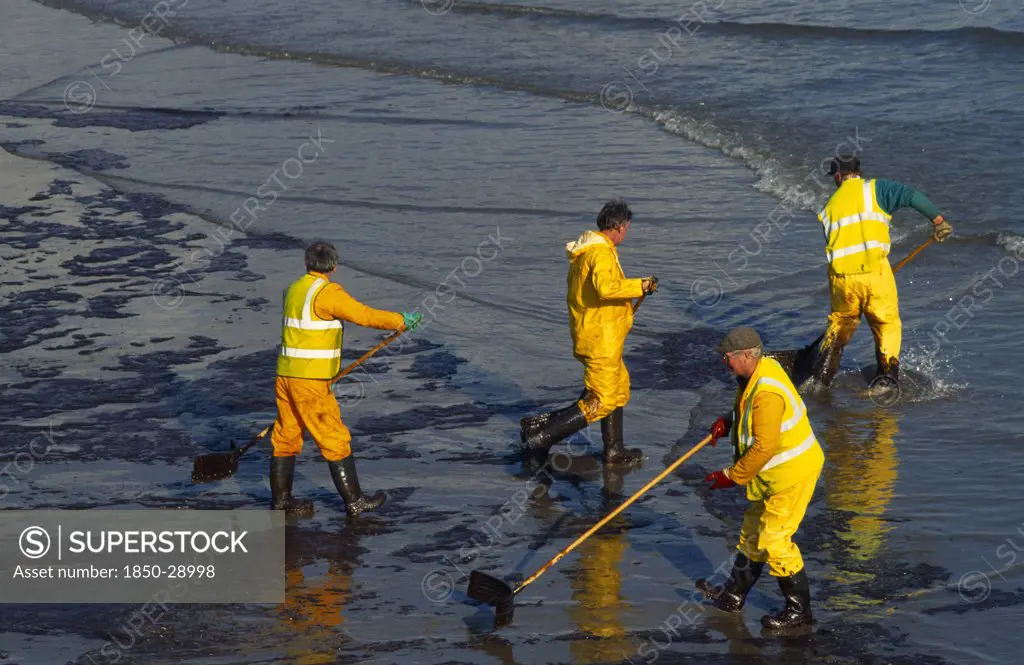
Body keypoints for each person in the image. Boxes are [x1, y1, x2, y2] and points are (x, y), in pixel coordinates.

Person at [270, 241, 422, 517]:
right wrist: (400, 320)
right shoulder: (326, 293)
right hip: (311, 381)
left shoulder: (292, 290)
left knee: (286, 435)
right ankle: (354, 501)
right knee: (333, 436)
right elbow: (364, 315)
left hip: (286, 375)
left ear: (306, 264)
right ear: (334, 266)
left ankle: (281, 502)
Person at [697, 327, 825, 630]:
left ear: (745, 355)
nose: (724, 363)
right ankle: (733, 595)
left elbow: (765, 445)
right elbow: (750, 413)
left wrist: (732, 476)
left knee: (775, 539)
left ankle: (799, 611)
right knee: (752, 532)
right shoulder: (760, 371)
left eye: (727, 358)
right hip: (771, 476)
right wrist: (728, 421)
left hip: (791, 473)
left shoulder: (766, 391)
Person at [519, 199, 658, 464]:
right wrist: (640, 286)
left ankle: (613, 449)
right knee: (603, 399)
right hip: (600, 340)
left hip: (600, 335)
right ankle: (542, 437)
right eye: (626, 227)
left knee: (618, 388)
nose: (626, 233)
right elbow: (607, 288)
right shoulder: (600, 254)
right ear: (618, 226)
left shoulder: (589, 251)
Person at [811, 155, 953, 388]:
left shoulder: (829, 207)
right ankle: (885, 381)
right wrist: (938, 221)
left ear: (838, 176)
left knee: (840, 326)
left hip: (841, 280)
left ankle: (821, 379)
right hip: (875, 274)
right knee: (886, 324)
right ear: (858, 171)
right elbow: (911, 196)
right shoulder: (876, 189)